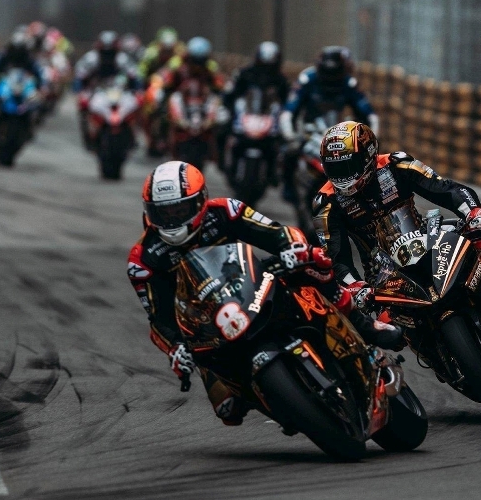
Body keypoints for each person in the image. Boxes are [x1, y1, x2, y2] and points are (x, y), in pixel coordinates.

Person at [127, 161, 367, 425]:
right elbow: (158, 319)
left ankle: (363, 324)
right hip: (208, 324)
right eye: (163, 213)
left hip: (252, 284)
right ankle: (281, 402)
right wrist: (175, 348)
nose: (172, 219)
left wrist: (294, 249)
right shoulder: (143, 260)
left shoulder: (225, 211)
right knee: (227, 409)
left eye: (179, 209)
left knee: (312, 267)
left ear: (199, 201)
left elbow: (277, 234)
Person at [313, 120, 481, 340]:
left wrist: (474, 213)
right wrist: (355, 286)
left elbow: (446, 189)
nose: (342, 177)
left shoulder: (396, 164)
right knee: (390, 330)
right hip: (383, 274)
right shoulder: (326, 204)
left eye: (347, 167)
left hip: (427, 236)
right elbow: (336, 259)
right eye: (335, 169)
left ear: (368, 155)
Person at [280, 46, 379, 203]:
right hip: (309, 130)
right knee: (289, 150)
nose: (331, 79)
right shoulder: (307, 79)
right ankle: (288, 187)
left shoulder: (349, 83)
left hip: (339, 133)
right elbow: (290, 109)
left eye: (334, 73)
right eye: (327, 73)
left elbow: (367, 113)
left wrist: (371, 136)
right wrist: (289, 133)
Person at [0, 28, 49, 128]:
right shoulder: (2, 56)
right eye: (15, 50)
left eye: (21, 51)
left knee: (41, 101)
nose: (18, 54)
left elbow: (39, 72)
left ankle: (34, 123)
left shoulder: (29, 59)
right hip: (2, 85)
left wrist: (43, 86)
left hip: (22, 87)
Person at [223, 41, 290, 109]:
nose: (265, 71)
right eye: (262, 66)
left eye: (269, 67)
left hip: (270, 112)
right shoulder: (244, 75)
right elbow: (230, 95)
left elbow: (285, 99)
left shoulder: (280, 80)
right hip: (244, 111)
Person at [72, 30, 142, 94]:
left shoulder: (122, 59)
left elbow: (135, 76)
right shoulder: (91, 59)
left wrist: (138, 92)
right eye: (104, 52)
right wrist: (78, 93)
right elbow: (79, 77)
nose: (107, 56)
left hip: (120, 92)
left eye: (111, 52)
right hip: (95, 92)